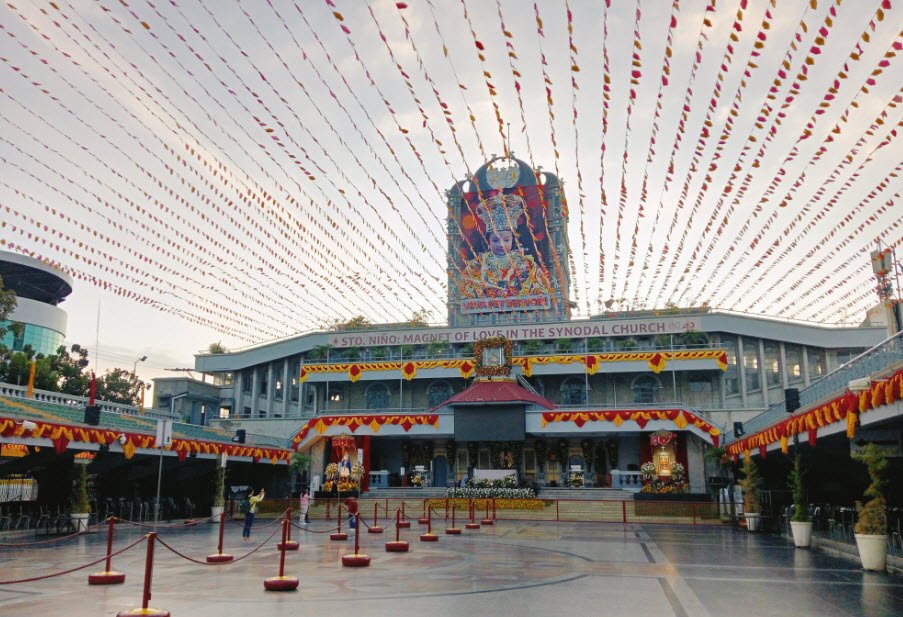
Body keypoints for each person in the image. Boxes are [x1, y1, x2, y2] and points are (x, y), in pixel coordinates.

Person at [459, 194, 551, 301]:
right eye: (495, 240)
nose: (501, 245)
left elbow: (542, 291)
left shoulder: (526, 263)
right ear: (488, 241)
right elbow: (464, 292)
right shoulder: (477, 265)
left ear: (513, 239)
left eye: (506, 240)